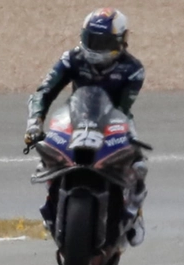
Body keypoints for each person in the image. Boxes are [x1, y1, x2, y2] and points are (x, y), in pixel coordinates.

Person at [24, 8, 148, 245]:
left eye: (103, 42)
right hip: (75, 115)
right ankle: (52, 201)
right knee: (48, 153)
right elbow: (44, 91)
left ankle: (134, 212)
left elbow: (123, 108)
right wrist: (35, 122)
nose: (96, 47)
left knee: (138, 163)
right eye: (91, 39)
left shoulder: (133, 70)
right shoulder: (71, 59)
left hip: (115, 117)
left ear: (120, 41)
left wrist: (119, 134)